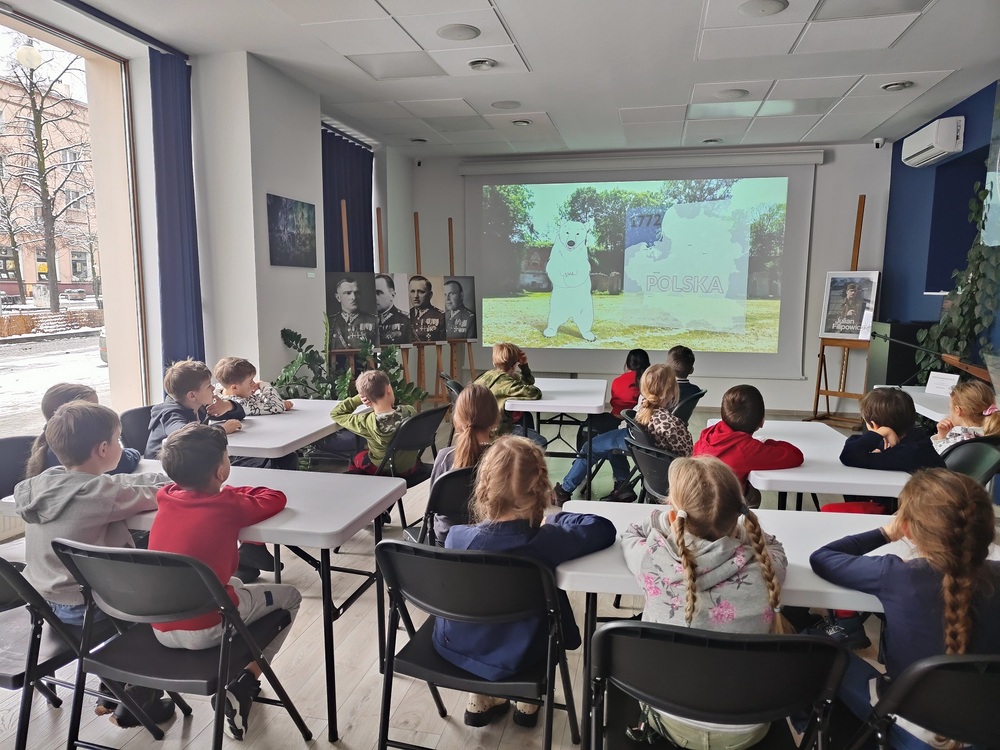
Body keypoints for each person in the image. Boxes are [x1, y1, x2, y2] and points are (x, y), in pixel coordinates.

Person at [432, 436, 617, 728]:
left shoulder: (457, 536)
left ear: (483, 488)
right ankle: (527, 702)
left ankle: (479, 695)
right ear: (541, 491)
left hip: (458, 647)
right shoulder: (548, 541)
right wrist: (555, 521)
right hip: (527, 653)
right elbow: (603, 528)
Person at [810, 469, 1000, 750]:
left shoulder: (896, 574)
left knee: (818, 652)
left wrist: (885, 532)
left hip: (906, 720)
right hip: (988, 725)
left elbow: (822, 558)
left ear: (908, 529)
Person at [13, 401, 175, 727]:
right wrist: (167, 477)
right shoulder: (100, 493)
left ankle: (112, 687)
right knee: (159, 603)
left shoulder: (43, 483)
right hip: (84, 606)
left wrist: (133, 480)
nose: (121, 445)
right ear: (103, 448)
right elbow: (154, 493)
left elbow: (113, 487)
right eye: (118, 439)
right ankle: (134, 698)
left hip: (43, 602)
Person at [621, 455, 788, 747]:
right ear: (738, 515)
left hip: (670, 720)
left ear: (675, 515)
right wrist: (741, 532)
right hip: (747, 728)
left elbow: (631, 532)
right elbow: (773, 544)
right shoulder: (766, 567)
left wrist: (666, 521)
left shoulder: (653, 560)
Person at [149, 423, 301, 742]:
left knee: (230, 582)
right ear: (221, 471)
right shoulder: (227, 504)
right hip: (207, 627)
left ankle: (237, 665)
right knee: (291, 596)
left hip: (159, 625)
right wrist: (231, 492)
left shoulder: (166, 496)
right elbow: (275, 497)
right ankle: (245, 681)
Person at [555, 363, 693, 504]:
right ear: (673, 390)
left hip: (639, 448)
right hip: (660, 471)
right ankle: (623, 485)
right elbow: (688, 454)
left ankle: (564, 490)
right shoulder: (672, 424)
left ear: (643, 387)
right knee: (606, 445)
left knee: (590, 447)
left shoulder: (642, 409)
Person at [693, 385, 803, 508]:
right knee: (754, 496)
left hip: (696, 500)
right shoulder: (748, 449)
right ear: (761, 422)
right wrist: (766, 442)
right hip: (722, 508)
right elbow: (795, 455)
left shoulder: (710, 432)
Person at [427, 383, 499, 545]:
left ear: (457, 419)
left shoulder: (444, 458)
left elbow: (433, 506)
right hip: (490, 539)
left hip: (446, 539)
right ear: (495, 419)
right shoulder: (503, 458)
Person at [25, 382, 141, 478]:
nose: (98, 412)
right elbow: (127, 461)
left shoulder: (49, 449)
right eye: (91, 409)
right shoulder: (89, 453)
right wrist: (133, 452)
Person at [145, 359, 244, 460]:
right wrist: (222, 430)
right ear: (192, 395)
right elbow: (186, 436)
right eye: (208, 386)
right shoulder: (170, 414)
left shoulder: (199, 405)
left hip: (191, 460)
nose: (213, 389)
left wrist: (227, 406)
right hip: (163, 467)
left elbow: (240, 415)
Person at [330, 369, 419, 475]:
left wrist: (359, 398)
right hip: (411, 467)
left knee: (358, 458)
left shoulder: (365, 423)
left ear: (365, 397)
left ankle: (365, 487)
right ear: (388, 389)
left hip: (383, 469)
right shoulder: (409, 411)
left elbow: (336, 414)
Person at [840, 388, 945, 474]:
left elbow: (848, 455)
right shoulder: (914, 437)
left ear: (875, 426)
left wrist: (880, 433)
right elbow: (853, 440)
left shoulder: (907, 453)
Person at [474, 342, 545, 446]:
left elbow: (526, 382)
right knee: (540, 442)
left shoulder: (485, 376)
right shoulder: (508, 385)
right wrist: (524, 365)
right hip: (497, 432)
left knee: (527, 416)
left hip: (479, 429)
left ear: (494, 362)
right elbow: (535, 392)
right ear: (516, 364)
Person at [931, 379, 999, 454]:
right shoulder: (994, 433)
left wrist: (941, 438)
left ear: (958, 410)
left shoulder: (955, 442)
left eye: (950, 408)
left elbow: (935, 461)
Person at [214, 356, 293, 415]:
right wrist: (263, 384)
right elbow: (277, 407)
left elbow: (256, 399)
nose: (254, 384)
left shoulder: (219, 390)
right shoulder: (238, 404)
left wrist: (281, 402)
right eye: (250, 381)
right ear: (234, 387)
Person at [330, 275, 378, 349]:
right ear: (338, 297)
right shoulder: (330, 322)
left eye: (357, 293)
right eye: (348, 293)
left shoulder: (373, 320)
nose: (353, 297)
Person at [375, 273, 412, 345]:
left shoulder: (405, 320)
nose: (374, 297)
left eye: (379, 293)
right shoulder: (369, 320)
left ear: (392, 295)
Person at [408, 275, 446, 342]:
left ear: (430, 295)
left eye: (421, 292)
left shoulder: (441, 316)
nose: (416, 296)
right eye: (413, 291)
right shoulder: (406, 316)